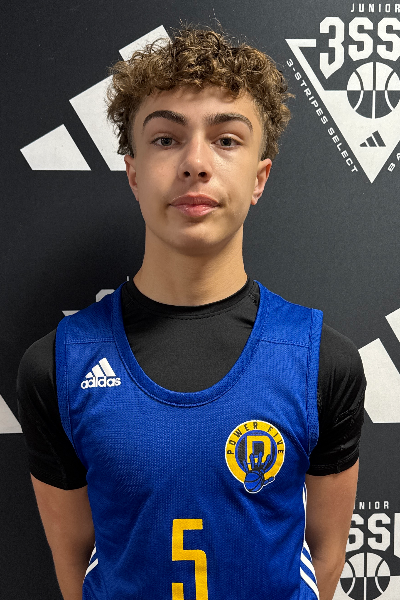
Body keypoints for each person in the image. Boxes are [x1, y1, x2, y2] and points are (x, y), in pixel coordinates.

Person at [17, 26, 366, 600]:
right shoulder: (56, 366)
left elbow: (327, 555)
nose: (196, 163)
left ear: (259, 178)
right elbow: (74, 560)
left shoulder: (323, 362)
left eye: (226, 139)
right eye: (166, 139)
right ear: (133, 173)